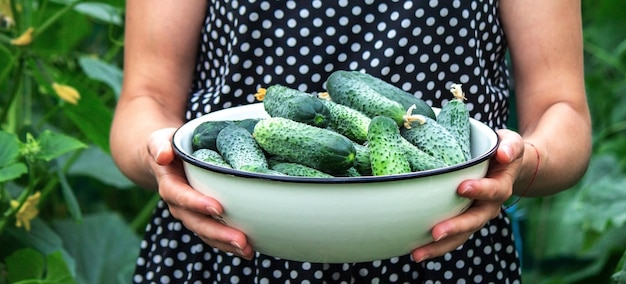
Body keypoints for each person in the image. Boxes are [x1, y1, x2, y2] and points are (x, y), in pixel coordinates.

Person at [110, 0, 591, 283]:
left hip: (446, 249)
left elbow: (561, 111)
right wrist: (163, 160)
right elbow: (143, 99)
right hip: (225, 243)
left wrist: (523, 163)